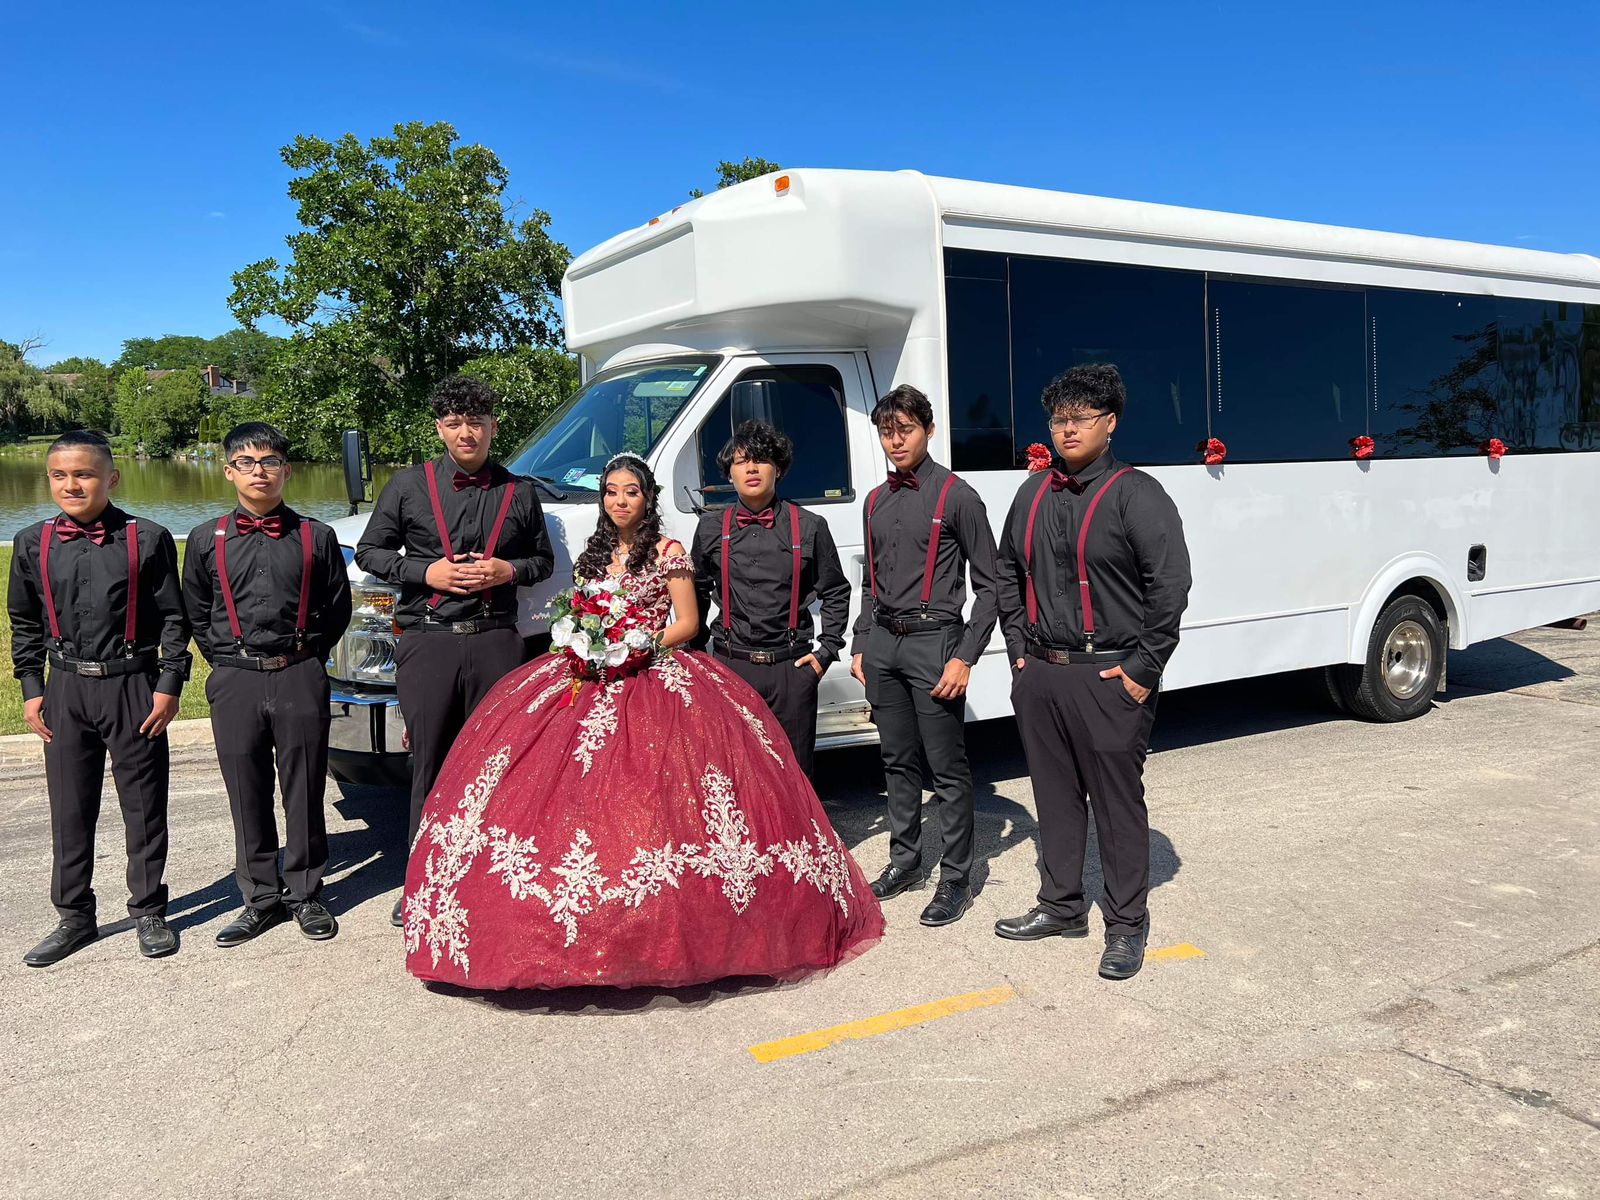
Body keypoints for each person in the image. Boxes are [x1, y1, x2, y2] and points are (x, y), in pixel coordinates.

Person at [401, 454, 883, 990]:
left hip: (652, 672)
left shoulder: (668, 552)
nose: (619, 501)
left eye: (630, 491)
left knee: (659, 791)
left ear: (647, 498)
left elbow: (688, 622)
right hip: (588, 674)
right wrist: (583, 641)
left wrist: (637, 645)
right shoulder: (593, 553)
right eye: (611, 492)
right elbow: (581, 612)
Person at [992, 364, 1191, 980]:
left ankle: (1126, 924)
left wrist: (1143, 668)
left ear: (1111, 423)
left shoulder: (1138, 494)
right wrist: (1018, 651)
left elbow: (1170, 586)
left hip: (1110, 675)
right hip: (1042, 672)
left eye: (1081, 418)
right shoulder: (1031, 494)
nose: (1068, 429)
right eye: (1059, 419)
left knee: (1116, 804)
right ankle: (1061, 906)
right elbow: (1006, 573)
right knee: (1053, 798)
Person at [356, 375, 554, 927]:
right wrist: (427, 572)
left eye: (476, 422)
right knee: (430, 762)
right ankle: (423, 878)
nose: (466, 432)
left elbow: (542, 561)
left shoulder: (521, 492)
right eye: (454, 423)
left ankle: (490, 876)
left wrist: (508, 569)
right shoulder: (406, 485)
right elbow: (371, 552)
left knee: (497, 763)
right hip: (429, 640)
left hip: (496, 642)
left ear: (494, 426)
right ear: (440, 428)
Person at [8, 430, 191, 965]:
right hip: (65, 688)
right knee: (70, 807)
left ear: (111, 478)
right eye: (59, 475)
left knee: (144, 804)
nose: (71, 485)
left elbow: (174, 619)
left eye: (84, 474)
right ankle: (74, 916)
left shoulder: (149, 538)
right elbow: (24, 621)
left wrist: (169, 684)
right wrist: (32, 688)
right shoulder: (31, 542)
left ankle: (149, 910)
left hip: (132, 686)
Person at [184, 422, 353, 947]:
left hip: (299, 672)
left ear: (287, 470)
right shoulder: (205, 538)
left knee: (304, 787)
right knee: (246, 790)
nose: (259, 472)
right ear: (229, 471)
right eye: (247, 462)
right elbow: (196, 611)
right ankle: (260, 897)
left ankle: (305, 893)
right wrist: (225, 662)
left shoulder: (316, 536)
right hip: (234, 677)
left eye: (270, 461)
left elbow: (337, 608)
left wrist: (306, 657)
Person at [849, 385, 999, 928]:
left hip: (936, 642)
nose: (896, 441)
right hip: (884, 644)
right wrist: (861, 641)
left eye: (906, 430)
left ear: (929, 430)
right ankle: (906, 862)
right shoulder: (874, 500)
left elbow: (993, 585)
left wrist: (966, 656)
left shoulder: (958, 496)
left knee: (947, 769)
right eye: (887, 432)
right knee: (896, 761)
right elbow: (871, 581)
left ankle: (956, 878)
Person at [691, 420, 850, 778]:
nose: (751, 468)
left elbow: (836, 591)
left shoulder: (809, 525)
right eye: (741, 461)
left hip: (790, 670)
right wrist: (699, 654)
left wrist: (826, 652)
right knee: (735, 774)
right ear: (729, 473)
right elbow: (696, 589)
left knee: (795, 776)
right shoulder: (711, 527)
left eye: (761, 459)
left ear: (778, 469)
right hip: (731, 665)